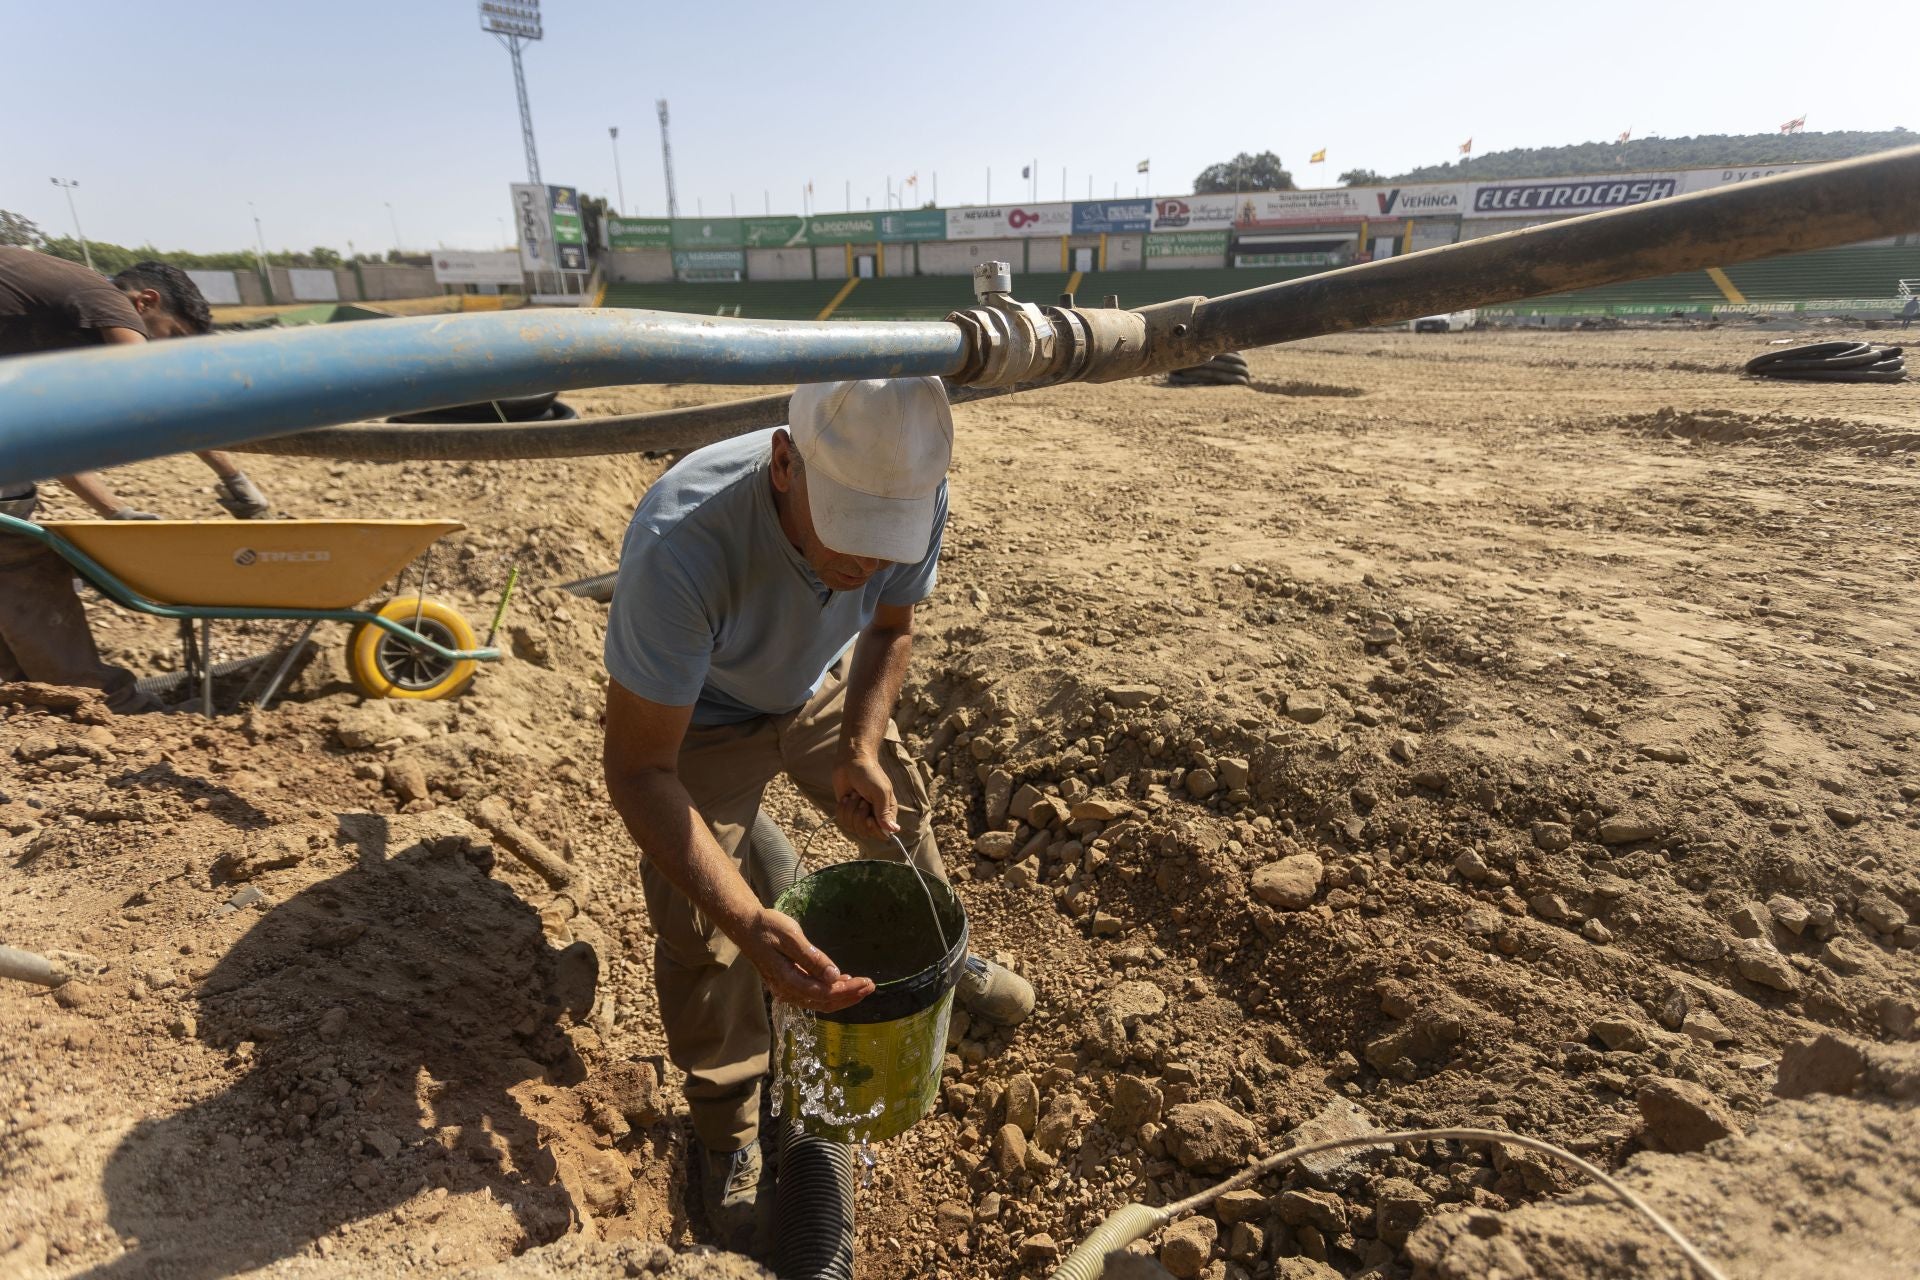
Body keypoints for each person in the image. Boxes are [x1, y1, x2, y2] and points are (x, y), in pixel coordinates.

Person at [601, 377, 1033, 1246]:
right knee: (703, 928)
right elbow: (640, 770)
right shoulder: (683, 547)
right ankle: (729, 1126)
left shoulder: (910, 487)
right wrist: (750, 920)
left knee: (896, 816)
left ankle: (931, 965)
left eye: (886, 543)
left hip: (813, 685)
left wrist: (860, 748)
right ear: (785, 461)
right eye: (850, 534)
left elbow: (889, 629)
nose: (866, 564)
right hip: (701, 719)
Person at [0, 249, 275, 711]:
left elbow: (44, 441)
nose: (166, 352)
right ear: (146, 302)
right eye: (174, 336)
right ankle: (104, 704)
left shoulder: (57, 315)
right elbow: (159, 399)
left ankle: (21, 693)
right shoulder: (107, 301)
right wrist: (233, 476)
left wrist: (114, 509)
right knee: (23, 564)